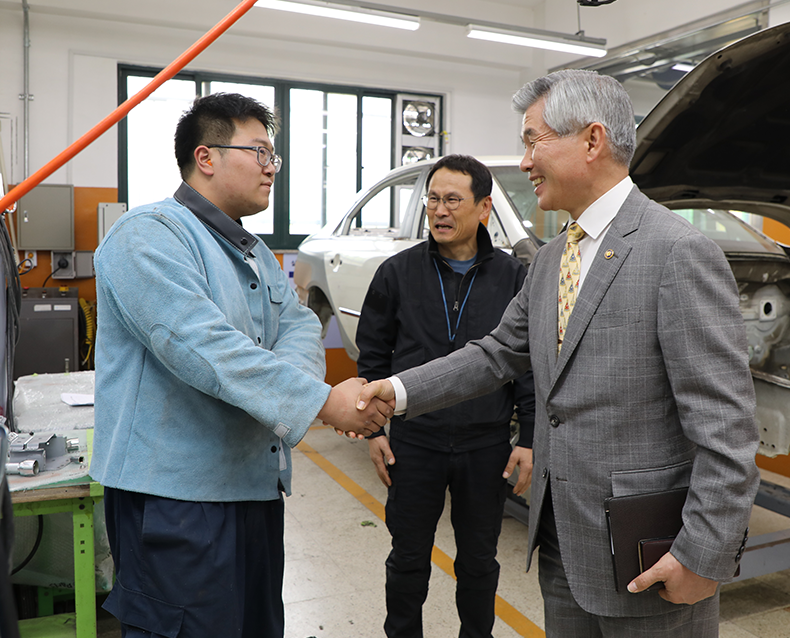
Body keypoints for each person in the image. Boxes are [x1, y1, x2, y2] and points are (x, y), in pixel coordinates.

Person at [354, 70, 760, 637]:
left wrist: (703, 553)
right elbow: (497, 354)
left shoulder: (678, 252)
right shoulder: (549, 261)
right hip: (563, 546)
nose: (524, 162)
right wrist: (396, 392)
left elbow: (727, 427)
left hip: (651, 557)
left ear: (591, 141)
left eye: (533, 140)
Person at [90, 93, 392, 638]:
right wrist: (322, 400)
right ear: (206, 157)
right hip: (176, 502)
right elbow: (204, 348)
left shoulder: (255, 252)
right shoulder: (148, 236)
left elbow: (299, 324)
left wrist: (294, 384)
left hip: (253, 491)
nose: (271, 167)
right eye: (260, 152)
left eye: (274, 156)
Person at [356, 154, 536, 638]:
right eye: (433, 199)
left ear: (483, 209)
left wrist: (530, 439)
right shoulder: (396, 273)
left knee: (479, 562)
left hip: (486, 445)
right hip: (415, 442)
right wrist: (373, 431)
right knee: (408, 558)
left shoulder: (514, 278)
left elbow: (527, 363)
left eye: (453, 200)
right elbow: (372, 358)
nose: (439, 210)